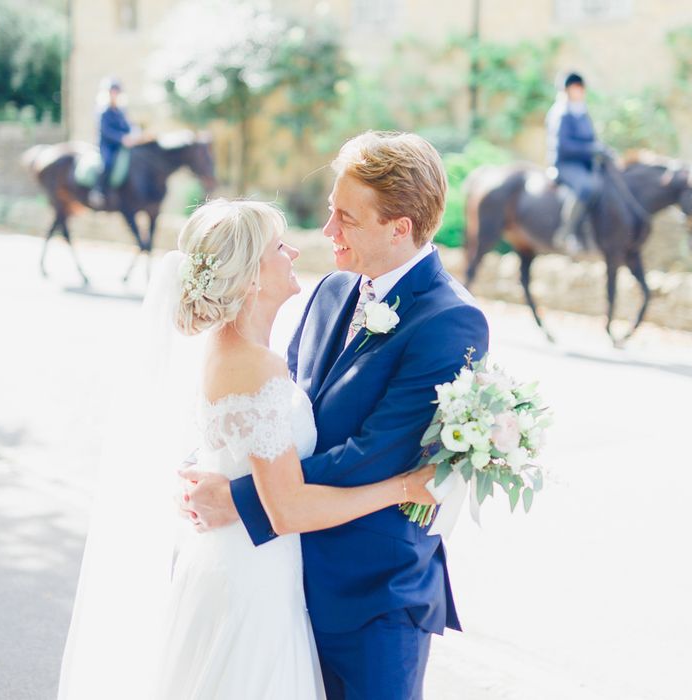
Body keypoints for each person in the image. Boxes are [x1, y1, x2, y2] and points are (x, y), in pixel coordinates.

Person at [57, 198, 439, 700]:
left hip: (235, 564)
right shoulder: (255, 366)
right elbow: (289, 508)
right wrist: (403, 487)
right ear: (253, 276)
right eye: (281, 247)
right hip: (251, 581)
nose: (297, 251)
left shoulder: (237, 352)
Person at [179, 132, 490, 699]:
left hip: (373, 600)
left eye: (345, 218)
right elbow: (272, 413)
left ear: (399, 227)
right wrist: (214, 453)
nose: (327, 232)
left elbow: (375, 454)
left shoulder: (450, 321)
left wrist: (242, 497)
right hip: (286, 582)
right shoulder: (330, 291)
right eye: (330, 211)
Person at [546, 72, 605, 252]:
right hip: (565, 164)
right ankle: (566, 232)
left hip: (582, 163)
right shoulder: (561, 113)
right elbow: (564, 145)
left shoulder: (582, 111)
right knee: (586, 187)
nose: (579, 91)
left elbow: (591, 138)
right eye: (575, 88)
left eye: (580, 88)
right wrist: (591, 149)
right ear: (567, 90)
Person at [89, 78, 135, 208]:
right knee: (107, 163)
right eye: (112, 92)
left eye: (117, 92)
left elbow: (127, 127)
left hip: (121, 145)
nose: (115, 94)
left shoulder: (121, 111)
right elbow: (106, 131)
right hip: (107, 145)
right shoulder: (103, 111)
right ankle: (97, 191)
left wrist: (132, 134)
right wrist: (122, 138)